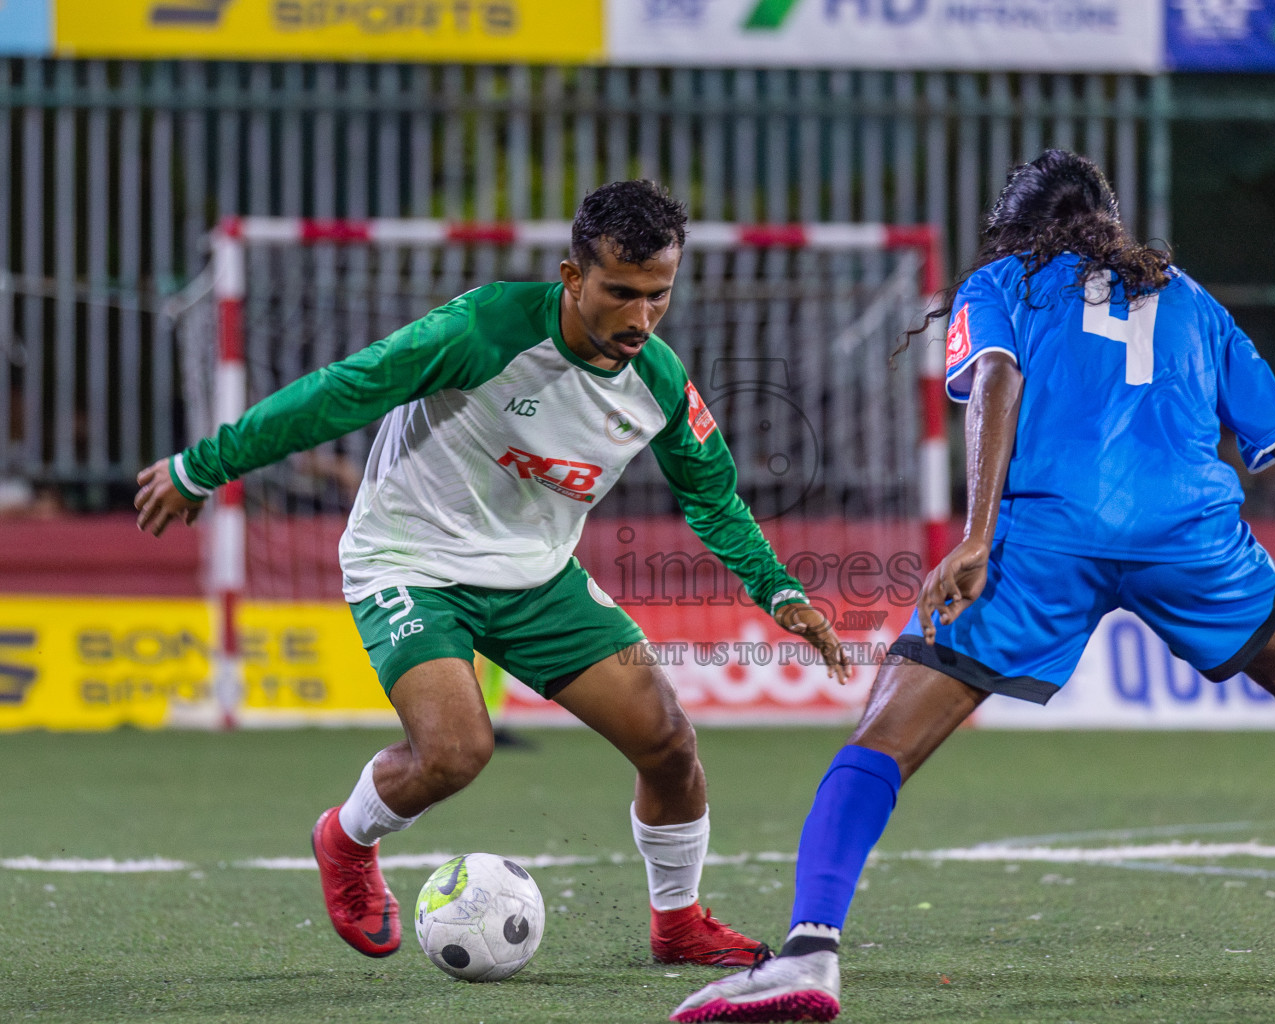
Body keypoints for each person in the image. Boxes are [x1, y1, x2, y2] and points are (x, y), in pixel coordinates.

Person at [671, 151, 1275, 1023]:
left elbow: (995, 379)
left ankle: (811, 952)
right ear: (1111, 224)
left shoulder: (1003, 281)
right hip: (1187, 534)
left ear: (1015, 227)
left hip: (1045, 538)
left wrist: (975, 535)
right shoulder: (1192, 301)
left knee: (884, 738)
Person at [133, 180, 850, 967]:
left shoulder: (659, 385)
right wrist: (204, 467)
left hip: (536, 580)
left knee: (669, 743)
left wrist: (779, 591)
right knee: (455, 752)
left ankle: (676, 923)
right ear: (573, 278)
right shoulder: (484, 328)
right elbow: (344, 392)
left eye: (659, 295)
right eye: (620, 293)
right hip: (409, 560)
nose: (641, 319)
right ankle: (345, 838)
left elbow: (712, 498)